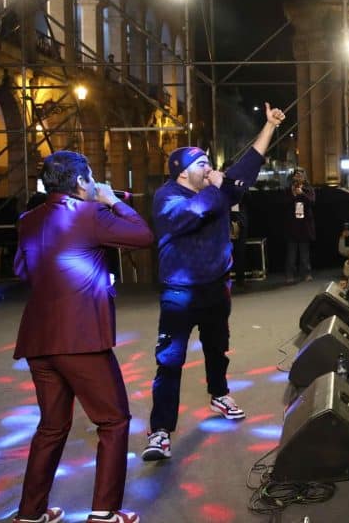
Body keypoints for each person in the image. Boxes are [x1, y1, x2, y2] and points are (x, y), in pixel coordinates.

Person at [12, 151, 153, 523]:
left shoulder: (28, 220)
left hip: (38, 340)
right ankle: (104, 512)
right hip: (81, 339)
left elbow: (22, 269)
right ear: (80, 184)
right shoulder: (91, 214)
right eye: (92, 180)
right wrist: (111, 202)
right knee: (113, 421)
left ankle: (30, 513)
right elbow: (143, 236)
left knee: (52, 426)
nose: (95, 185)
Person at [143, 103, 285, 461]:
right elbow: (191, 214)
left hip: (216, 287)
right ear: (182, 172)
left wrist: (268, 127)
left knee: (217, 348)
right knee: (170, 360)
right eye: (201, 164)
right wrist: (218, 187)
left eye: (208, 162)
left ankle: (219, 392)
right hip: (179, 292)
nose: (209, 167)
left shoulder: (217, 189)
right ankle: (160, 431)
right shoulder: (167, 197)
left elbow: (248, 164)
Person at [280, 166, 315, 283]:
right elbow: (283, 203)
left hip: (304, 225)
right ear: (293, 176)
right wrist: (294, 195)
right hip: (292, 225)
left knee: (305, 253)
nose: (298, 177)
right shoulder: (287, 189)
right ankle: (290, 275)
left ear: (304, 177)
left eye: (301, 175)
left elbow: (311, 202)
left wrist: (302, 194)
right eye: (296, 174)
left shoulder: (308, 189)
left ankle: (306, 273)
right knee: (291, 253)